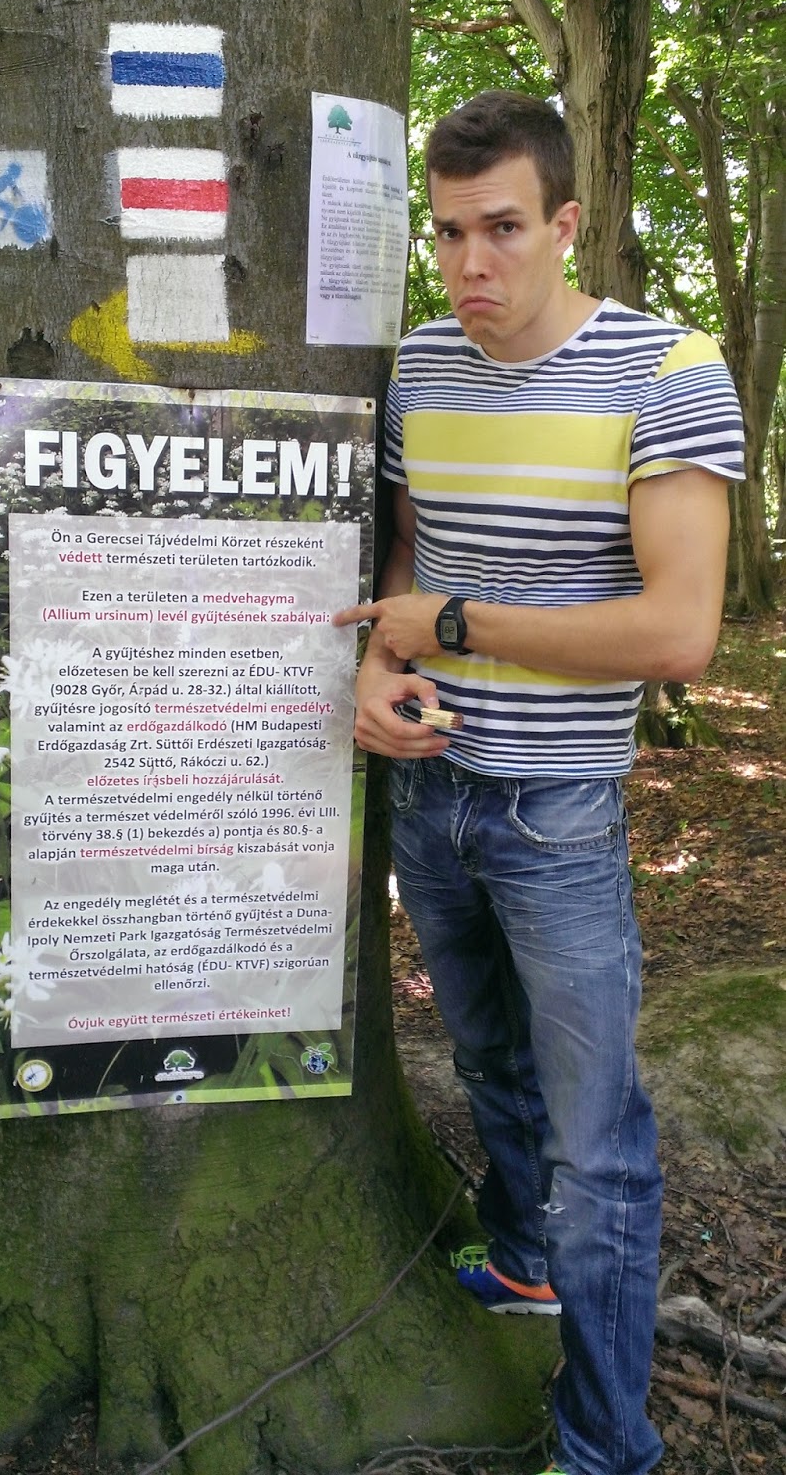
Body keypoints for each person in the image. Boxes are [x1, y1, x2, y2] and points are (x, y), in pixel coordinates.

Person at [333, 91, 745, 1475]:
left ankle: (608, 1444)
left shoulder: (664, 370)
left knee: (597, 1141)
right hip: (430, 789)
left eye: (503, 229)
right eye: (449, 233)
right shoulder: (419, 369)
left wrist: (450, 626)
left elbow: (679, 634)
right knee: (489, 1064)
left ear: (567, 223)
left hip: (556, 811)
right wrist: (382, 666)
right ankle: (521, 1262)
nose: (471, 263)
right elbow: (407, 555)